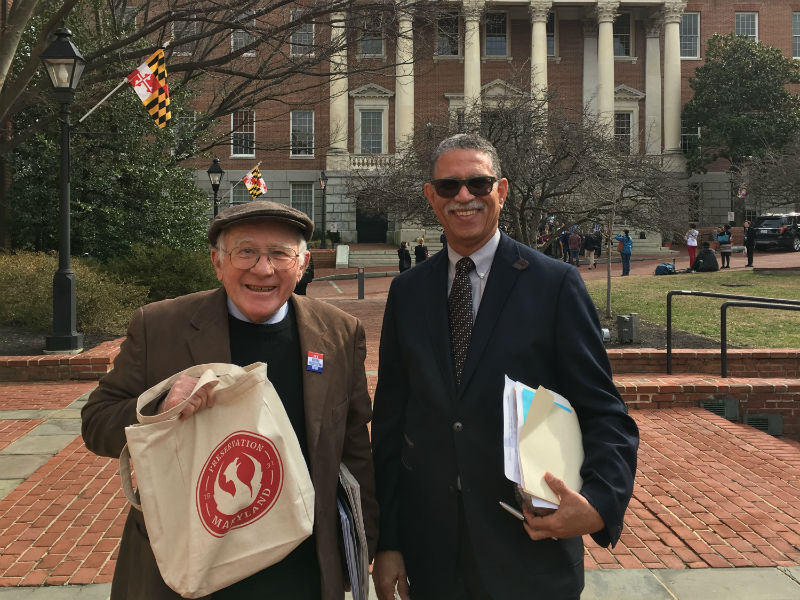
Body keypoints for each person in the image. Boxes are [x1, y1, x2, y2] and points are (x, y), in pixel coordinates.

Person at [371, 134, 639, 600]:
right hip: (433, 553)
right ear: (431, 197)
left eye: (478, 183)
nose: (464, 196)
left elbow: (604, 411)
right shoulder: (407, 292)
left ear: (502, 190)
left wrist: (599, 502)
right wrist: (389, 540)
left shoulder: (554, 284)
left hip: (528, 549)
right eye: (450, 186)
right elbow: (392, 422)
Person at [81, 201, 378, 600]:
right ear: (217, 263)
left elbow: (355, 446)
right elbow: (96, 423)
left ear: (303, 263)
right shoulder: (160, 326)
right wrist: (160, 407)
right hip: (191, 568)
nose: (262, 268)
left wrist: (367, 543)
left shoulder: (339, 332)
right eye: (246, 251)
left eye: (279, 253)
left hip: (300, 566)